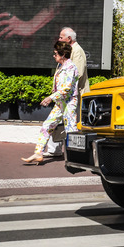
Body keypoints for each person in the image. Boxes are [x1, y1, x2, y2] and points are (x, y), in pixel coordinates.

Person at [22, 41, 79, 165]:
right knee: (47, 125)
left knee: (71, 129)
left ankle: (76, 157)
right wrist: (54, 97)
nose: (54, 56)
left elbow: (67, 88)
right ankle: (38, 153)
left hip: (69, 102)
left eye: (56, 53)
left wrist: (50, 98)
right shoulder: (61, 67)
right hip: (60, 103)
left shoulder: (71, 67)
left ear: (63, 54)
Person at [45, 27, 90, 157]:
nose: (59, 39)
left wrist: (65, 89)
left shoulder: (77, 51)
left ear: (69, 39)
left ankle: (75, 153)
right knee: (58, 121)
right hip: (64, 95)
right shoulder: (67, 51)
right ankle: (56, 149)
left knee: (70, 124)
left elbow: (79, 74)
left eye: (61, 37)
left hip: (73, 95)